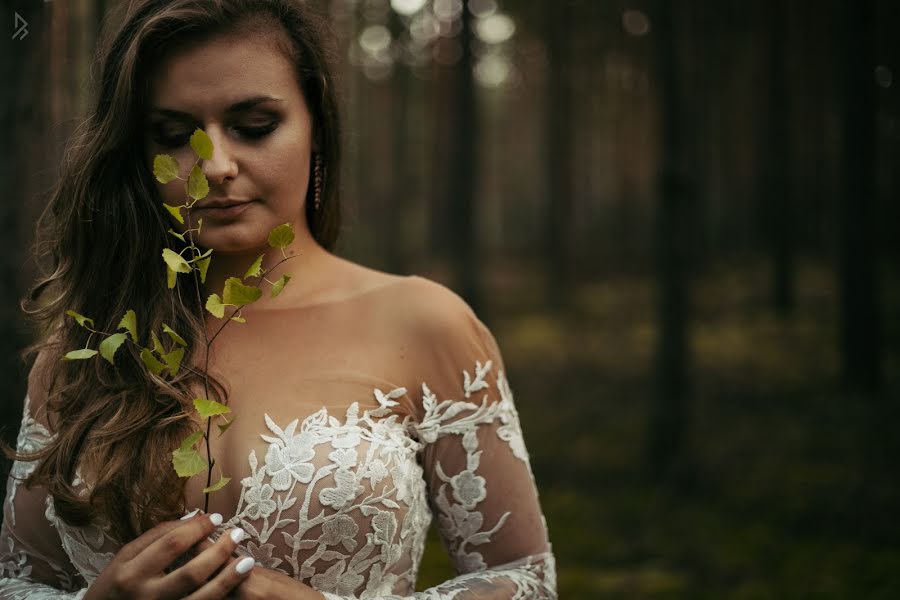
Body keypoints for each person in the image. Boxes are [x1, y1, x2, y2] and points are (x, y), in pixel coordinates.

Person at [0, 0, 556, 598]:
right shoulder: (87, 347)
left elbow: (523, 577)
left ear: (316, 125)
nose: (214, 165)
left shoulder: (424, 324)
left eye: (254, 125)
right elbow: (18, 582)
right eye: (173, 135)